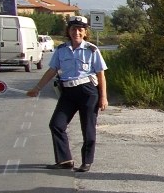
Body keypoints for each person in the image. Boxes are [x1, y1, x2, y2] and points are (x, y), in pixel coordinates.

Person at [26, 15, 108, 172]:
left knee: (88, 129)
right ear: (68, 31)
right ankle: (64, 160)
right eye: (73, 29)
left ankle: (86, 161)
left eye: (80, 30)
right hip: (68, 92)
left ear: (85, 32)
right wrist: (37, 88)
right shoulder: (61, 50)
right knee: (56, 124)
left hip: (88, 92)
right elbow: (52, 70)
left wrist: (103, 97)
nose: (76, 32)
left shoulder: (92, 50)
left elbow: (100, 75)